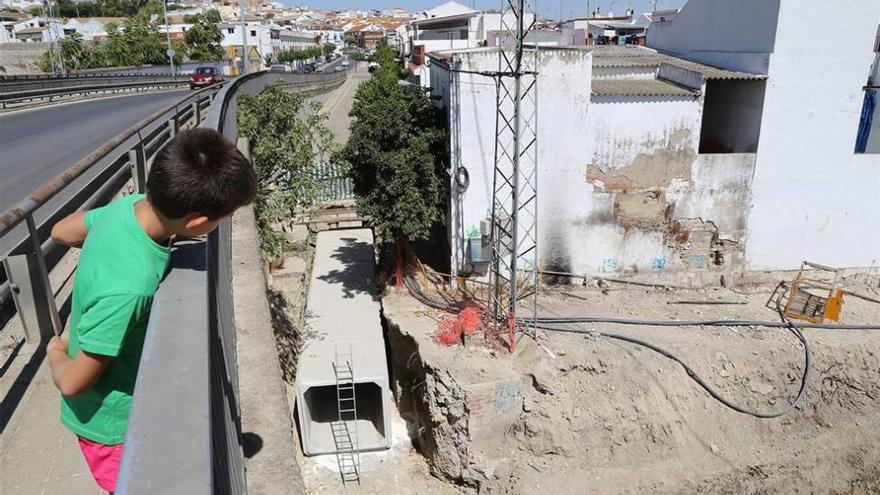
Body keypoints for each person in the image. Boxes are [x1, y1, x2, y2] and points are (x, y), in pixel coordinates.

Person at [46, 128, 257, 493]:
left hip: (113, 412)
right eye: (222, 218)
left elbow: (61, 231)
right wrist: (55, 351)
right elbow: (72, 382)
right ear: (195, 222)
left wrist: (114, 238)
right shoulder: (130, 287)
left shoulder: (127, 209)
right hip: (113, 428)